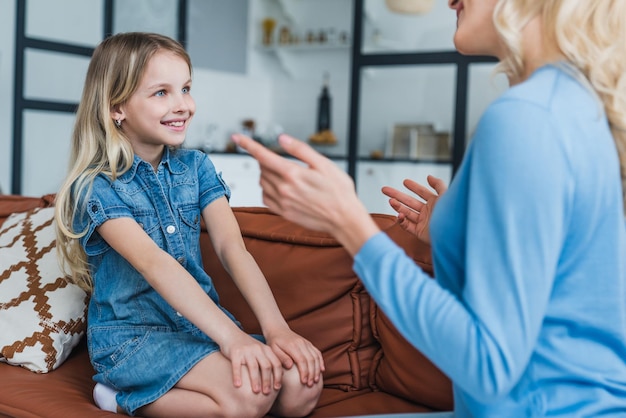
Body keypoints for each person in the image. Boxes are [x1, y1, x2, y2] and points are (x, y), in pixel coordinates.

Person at [232, 0, 626, 416]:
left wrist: (348, 223)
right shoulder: (572, 105)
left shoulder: (527, 118)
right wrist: (453, 232)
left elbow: (489, 365)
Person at [55, 32, 323, 417]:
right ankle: (116, 397)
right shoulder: (96, 187)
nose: (183, 105)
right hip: (134, 339)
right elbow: (155, 263)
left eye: (185, 88)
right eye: (161, 92)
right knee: (251, 395)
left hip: (198, 328)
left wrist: (277, 329)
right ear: (117, 107)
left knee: (301, 386)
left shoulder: (196, 168)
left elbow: (233, 249)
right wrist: (232, 339)